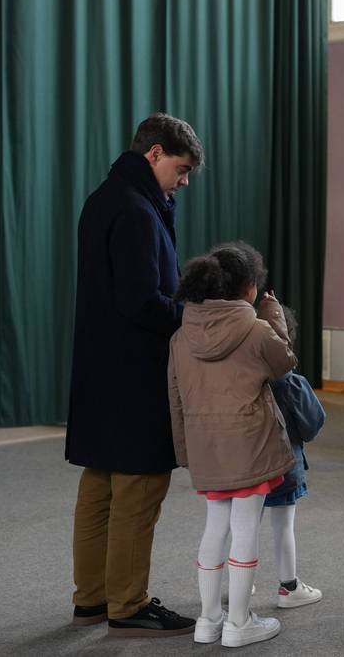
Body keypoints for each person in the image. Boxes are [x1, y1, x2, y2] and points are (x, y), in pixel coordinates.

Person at [66, 112, 203, 637]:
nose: (184, 181)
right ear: (155, 154)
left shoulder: (104, 199)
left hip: (99, 369)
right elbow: (143, 303)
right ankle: (128, 604)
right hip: (136, 374)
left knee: (98, 487)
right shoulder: (138, 212)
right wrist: (193, 313)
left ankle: (91, 599)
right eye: (182, 168)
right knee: (139, 490)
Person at [168, 242, 297, 647]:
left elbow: (175, 399)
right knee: (244, 527)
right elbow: (285, 363)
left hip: (206, 444)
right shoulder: (257, 329)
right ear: (248, 288)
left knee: (215, 527)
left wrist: (185, 452)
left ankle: (209, 620)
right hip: (249, 442)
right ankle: (239, 623)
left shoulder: (180, 336)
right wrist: (274, 316)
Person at [261, 306, 325, 610]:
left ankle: (236, 584)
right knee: (283, 524)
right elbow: (312, 424)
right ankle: (289, 587)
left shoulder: (240, 377)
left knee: (237, 525)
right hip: (284, 466)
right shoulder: (289, 380)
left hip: (245, 465)